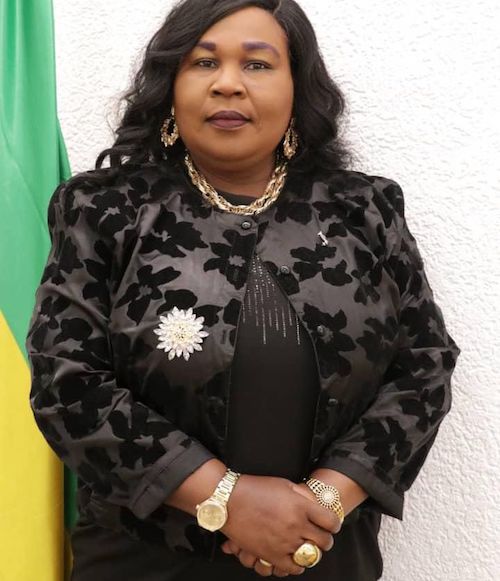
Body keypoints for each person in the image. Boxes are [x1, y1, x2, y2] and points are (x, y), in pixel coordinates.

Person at [25, 0, 461, 579]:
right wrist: (227, 501)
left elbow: (425, 365)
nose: (227, 83)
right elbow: (68, 383)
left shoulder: (364, 210)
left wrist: (322, 503)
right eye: (204, 63)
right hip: (144, 562)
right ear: (171, 87)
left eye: (257, 64)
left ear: (297, 88)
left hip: (322, 553)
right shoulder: (105, 209)